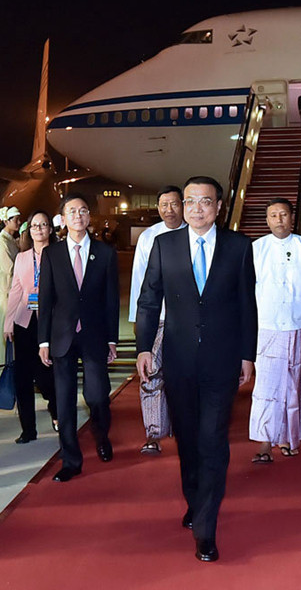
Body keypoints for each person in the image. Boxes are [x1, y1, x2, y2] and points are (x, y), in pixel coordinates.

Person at [136, 176, 257, 563]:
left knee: (213, 441)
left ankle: (206, 528)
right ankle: (195, 498)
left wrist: (246, 354)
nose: (196, 209)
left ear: (219, 207)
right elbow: (148, 300)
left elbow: (246, 305)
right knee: (187, 440)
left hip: (222, 361)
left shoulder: (239, 248)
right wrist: (142, 348)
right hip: (179, 360)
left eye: (205, 202)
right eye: (190, 202)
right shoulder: (164, 245)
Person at [38, 193, 119, 482]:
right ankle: (70, 459)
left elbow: (111, 301)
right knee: (65, 400)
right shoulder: (52, 254)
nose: (79, 215)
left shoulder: (105, 253)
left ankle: (102, 435)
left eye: (83, 210)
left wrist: (112, 339)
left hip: (95, 334)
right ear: (63, 218)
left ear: (89, 217)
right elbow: (45, 300)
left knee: (97, 395)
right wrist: (43, 341)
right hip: (61, 336)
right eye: (72, 211)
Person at [250, 198, 301, 462]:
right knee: (266, 386)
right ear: (267, 220)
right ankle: (264, 441)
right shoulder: (256, 249)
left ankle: (288, 437)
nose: (279, 220)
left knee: (293, 386)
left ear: (292, 218)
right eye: (273, 215)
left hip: (297, 327)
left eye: (283, 215)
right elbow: (248, 292)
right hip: (266, 327)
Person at [128, 185, 186, 455]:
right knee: (150, 373)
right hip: (158, 318)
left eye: (174, 204)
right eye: (163, 205)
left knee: (185, 376)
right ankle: (153, 432)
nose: (169, 210)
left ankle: (182, 426)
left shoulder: (195, 234)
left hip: (188, 320)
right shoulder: (149, 237)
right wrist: (137, 319)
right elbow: (139, 281)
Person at [5, 211, 58, 443]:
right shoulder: (22, 258)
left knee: (47, 376)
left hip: (51, 321)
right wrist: (8, 322)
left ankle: (57, 411)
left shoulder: (59, 255)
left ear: (50, 229)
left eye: (43, 225)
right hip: (25, 321)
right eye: (34, 225)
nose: (38, 229)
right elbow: (16, 290)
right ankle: (28, 429)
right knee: (22, 378)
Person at [0, 206, 20, 367]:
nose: (18, 222)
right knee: (4, 328)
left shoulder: (10, 240)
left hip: (12, 292)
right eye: (15, 220)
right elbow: (10, 269)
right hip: (5, 292)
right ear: (6, 221)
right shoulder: (2, 242)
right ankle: (0, 365)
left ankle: (8, 363)